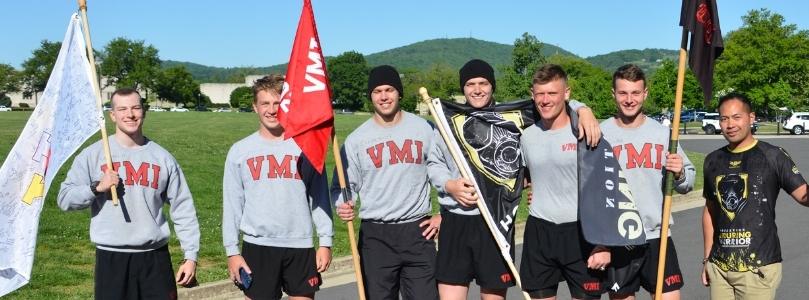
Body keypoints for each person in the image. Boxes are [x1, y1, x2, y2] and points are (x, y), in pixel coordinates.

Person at [436, 59, 601, 300]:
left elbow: (556, 101)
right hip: (462, 222)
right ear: (463, 88)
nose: (477, 89)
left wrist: (583, 109)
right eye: (470, 84)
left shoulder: (514, 118)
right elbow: (433, 163)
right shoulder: (446, 120)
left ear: (493, 86)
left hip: (499, 221)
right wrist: (448, 186)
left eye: (483, 83)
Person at [58, 88, 200, 300]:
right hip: (112, 259)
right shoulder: (92, 155)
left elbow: (183, 208)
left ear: (144, 111)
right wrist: (96, 188)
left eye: (135, 108)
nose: (130, 114)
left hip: (155, 258)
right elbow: (64, 199)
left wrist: (191, 256)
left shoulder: (162, 158)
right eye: (122, 109)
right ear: (112, 115)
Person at [700, 93, 809, 300]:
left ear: (751, 117)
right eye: (724, 118)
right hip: (720, 268)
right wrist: (707, 260)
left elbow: (805, 196)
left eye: (737, 117)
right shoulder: (713, 160)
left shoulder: (773, 155)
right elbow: (710, 212)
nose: (730, 124)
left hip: (758, 267)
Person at [331, 65, 450, 300]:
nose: (384, 96)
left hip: (418, 231)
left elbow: (450, 173)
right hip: (376, 236)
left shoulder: (426, 129)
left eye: (389, 89)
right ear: (370, 96)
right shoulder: (356, 140)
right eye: (377, 91)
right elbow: (341, 187)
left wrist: (443, 214)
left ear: (400, 93)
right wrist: (342, 204)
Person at [222, 74, 333, 300]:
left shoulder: (307, 147)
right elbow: (232, 205)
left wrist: (326, 242)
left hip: (299, 244)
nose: (272, 110)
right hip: (258, 246)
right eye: (265, 103)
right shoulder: (240, 151)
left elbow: (320, 197)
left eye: (278, 103)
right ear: (255, 107)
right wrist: (232, 251)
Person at [598, 64, 695, 300]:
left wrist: (680, 172)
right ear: (613, 94)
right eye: (623, 93)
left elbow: (688, 182)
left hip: (657, 237)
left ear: (645, 93)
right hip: (618, 238)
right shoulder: (600, 134)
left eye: (635, 93)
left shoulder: (663, 134)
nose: (629, 100)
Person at [518, 64, 608, 300]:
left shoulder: (585, 131)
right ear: (532, 94)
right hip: (540, 232)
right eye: (540, 94)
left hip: (581, 232)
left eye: (552, 93)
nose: (545, 100)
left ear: (567, 93)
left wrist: (604, 243)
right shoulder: (527, 137)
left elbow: (605, 189)